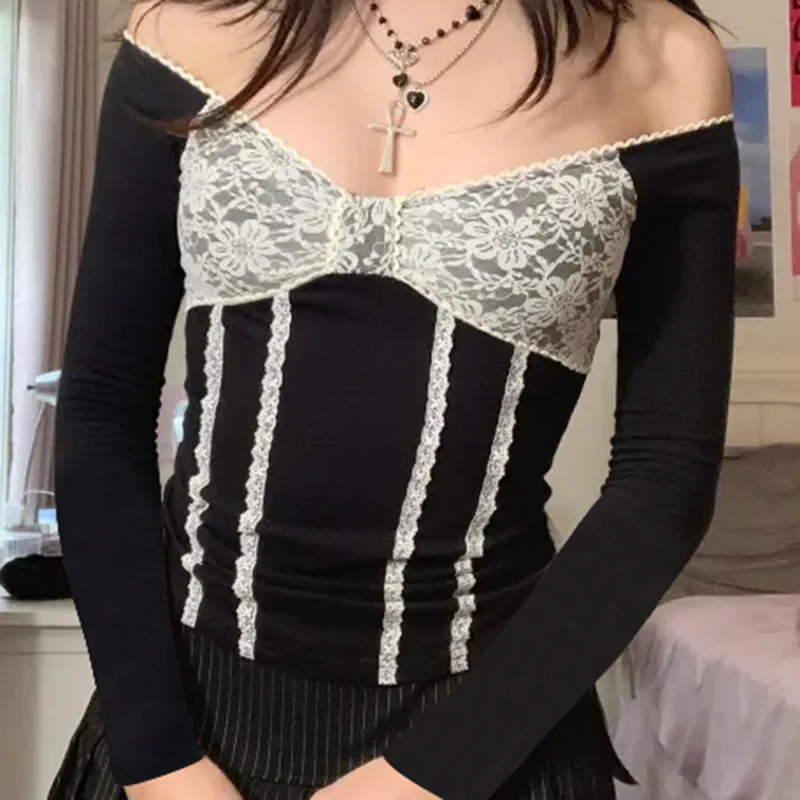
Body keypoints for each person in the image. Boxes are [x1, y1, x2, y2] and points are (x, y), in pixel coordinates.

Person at [48, 0, 738, 798]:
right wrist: (156, 757)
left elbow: (664, 479)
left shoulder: (660, 60)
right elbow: (102, 406)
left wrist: (439, 772)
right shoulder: (193, 24)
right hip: (181, 720)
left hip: (489, 736)